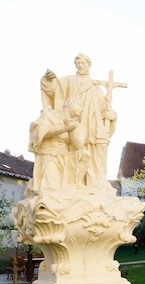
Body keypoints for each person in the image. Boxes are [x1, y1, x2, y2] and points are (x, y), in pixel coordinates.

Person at [40, 53, 118, 193]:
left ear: (89, 65)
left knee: (94, 151)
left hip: (91, 123)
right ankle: (73, 182)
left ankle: (96, 183)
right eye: (78, 64)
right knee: (76, 149)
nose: (81, 66)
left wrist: (112, 116)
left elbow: (103, 108)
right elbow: (54, 88)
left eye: (83, 63)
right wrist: (48, 79)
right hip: (73, 121)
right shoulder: (69, 80)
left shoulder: (95, 86)